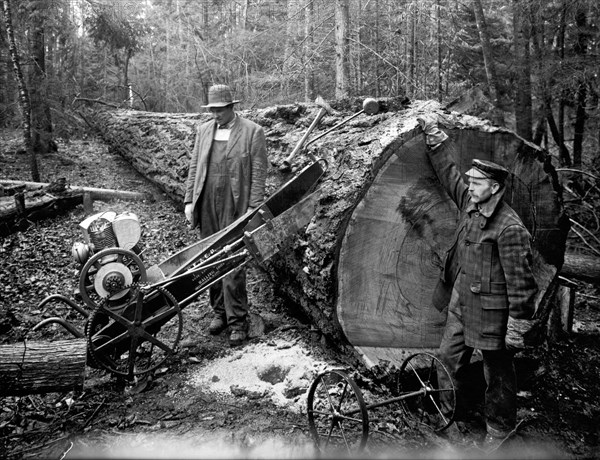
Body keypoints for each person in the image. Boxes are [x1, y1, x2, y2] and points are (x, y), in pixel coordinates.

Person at [418, 115, 538, 452]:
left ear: (495, 188)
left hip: (493, 314)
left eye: (478, 182)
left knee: (497, 375)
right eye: (471, 182)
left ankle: (499, 432)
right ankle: (446, 416)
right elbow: (450, 175)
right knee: (446, 360)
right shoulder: (470, 204)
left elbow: (521, 283)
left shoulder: (509, 228)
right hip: (461, 303)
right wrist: (436, 140)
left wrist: (516, 325)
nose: (470, 186)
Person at [184, 84, 268, 346]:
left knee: (232, 259)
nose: (216, 114)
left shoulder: (253, 132)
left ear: (232, 107)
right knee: (210, 256)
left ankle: (238, 321)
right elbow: (195, 166)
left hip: (235, 203)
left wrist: (253, 207)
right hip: (207, 201)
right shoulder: (204, 130)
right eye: (212, 110)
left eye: (220, 110)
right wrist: (189, 200)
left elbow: (258, 172)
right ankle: (219, 312)